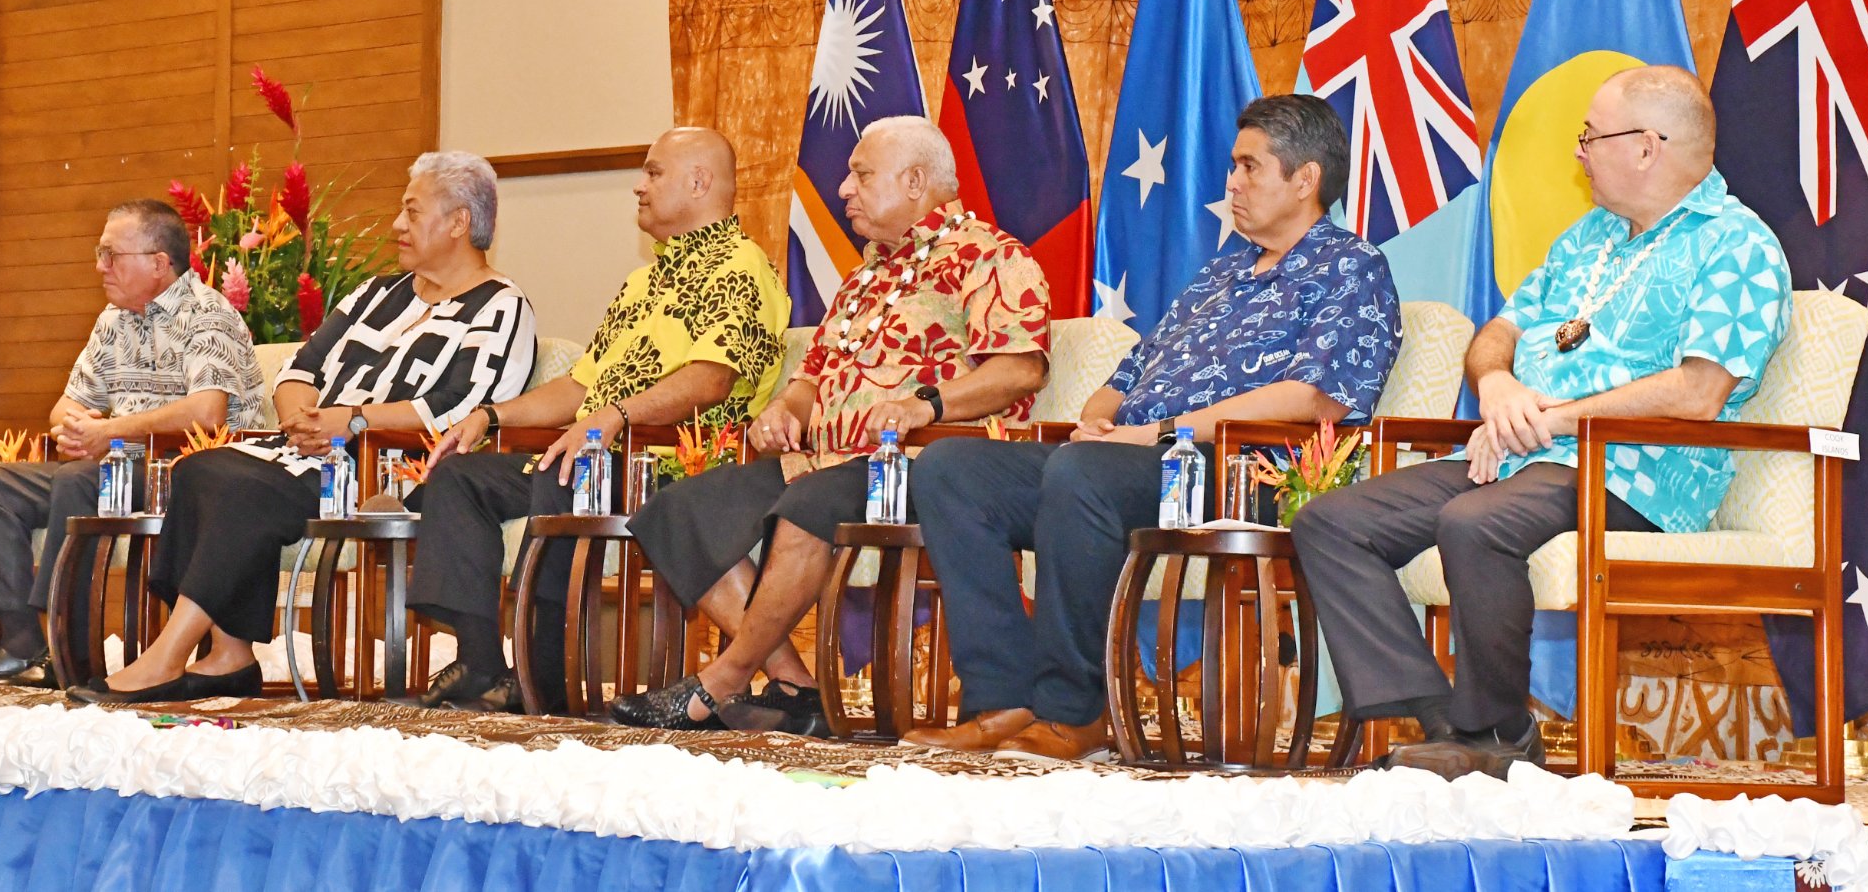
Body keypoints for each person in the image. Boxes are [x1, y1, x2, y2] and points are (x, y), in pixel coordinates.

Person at [1292, 65, 1792, 779]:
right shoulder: (1587, 238)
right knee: (1333, 523)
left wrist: (1555, 416)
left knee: (1475, 522)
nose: (1580, 151)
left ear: (1648, 147)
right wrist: (1495, 384)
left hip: (1643, 472)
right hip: (1528, 456)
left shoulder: (1737, 245)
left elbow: (1699, 391)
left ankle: (1488, 736)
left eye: (1591, 135)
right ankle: (1457, 726)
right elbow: (1500, 328)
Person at [904, 94, 1403, 761]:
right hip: (1133, 459)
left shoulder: (1350, 267)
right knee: (952, 470)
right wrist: (1101, 414)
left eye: (1250, 167)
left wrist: (1161, 433)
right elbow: (1135, 365)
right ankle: (1003, 698)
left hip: (1241, 473)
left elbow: (1313, 399)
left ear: (1305, 180)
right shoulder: (1221, 273)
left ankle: (1074, 710)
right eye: (1233, 166)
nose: (1231, 183)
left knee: (1085, 476)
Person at [610, 115, 1052, 733]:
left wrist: (928, 404)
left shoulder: (990, 257)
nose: (843, 188)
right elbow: (810, 378)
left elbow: (1021, 369)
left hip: (917, 467)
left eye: (861, 175)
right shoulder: (863, 277)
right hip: (821, 458)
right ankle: (796, 686)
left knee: (810, 503)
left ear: (917, 180)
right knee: (676, 509)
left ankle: (725, 679)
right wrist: (781, 412)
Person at [68, 151, 537, 703]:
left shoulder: (500, 307)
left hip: (384, 472)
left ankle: (167, 659)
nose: (397, 225)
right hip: (307, 450)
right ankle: (229, 654)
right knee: (198, 469)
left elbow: (461, 406)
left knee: (242, 489)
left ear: (459, 222)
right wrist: (301, 418)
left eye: (411, 212)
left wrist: (353, 422)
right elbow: (300, 370)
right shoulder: (376, 295)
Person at [405, 127, 790, 711]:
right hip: (593, 451)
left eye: (653, 173)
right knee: (461, 477)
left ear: (699, 182)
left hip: (661, 461)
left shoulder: (740, 268)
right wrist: (488, 415)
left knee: (564, 477)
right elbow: (581, 384)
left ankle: (544, 685)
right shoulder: (644, 282)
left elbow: (713, 378)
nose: (638, 186)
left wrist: (616, 415)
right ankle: (482, 664)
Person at [0, 200, 266, 687]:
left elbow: (207, 412)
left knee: (81, 479)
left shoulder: (207, 314)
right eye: (100, 253)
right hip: (111, 471)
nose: (100, 266)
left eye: (111, 254)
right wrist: (78, 427)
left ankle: (69, 654)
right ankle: (19, 642)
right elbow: (65, 406)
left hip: (187, 476)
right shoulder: (113, 321)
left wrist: (108, 432)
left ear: (160, 263)